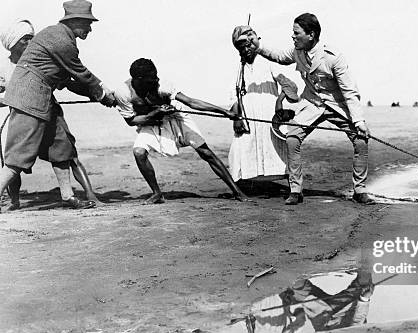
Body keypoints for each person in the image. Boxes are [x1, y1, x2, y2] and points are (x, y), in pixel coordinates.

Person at [0, 0, 116, 213]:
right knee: (18, 158)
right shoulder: (60, 39)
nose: (90, 28)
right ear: (74, 21)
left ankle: (68, 196)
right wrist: (103, 93)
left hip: (44, 101)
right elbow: (82, 74)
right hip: (29, 99)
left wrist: (100, 96)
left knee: (61, 146)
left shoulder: (61, 38)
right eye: (87, 23)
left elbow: (71, 83)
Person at [253, 13, 374, 205]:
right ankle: (295, 190)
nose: (292, 37)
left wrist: (358, 121)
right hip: (310, 104)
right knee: (292, 138)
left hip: (337, 105)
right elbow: (278, 57)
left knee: (361, 140)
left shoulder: (333, 57)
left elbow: (349, 91)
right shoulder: (297, 51)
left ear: (311, 34)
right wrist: (258, 47)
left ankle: (359, 190)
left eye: (296, 33)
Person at [113, 58, 249, 204]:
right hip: (152, 122)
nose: (157, 79)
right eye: (152, 78)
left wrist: (224, 112)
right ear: (139, 79)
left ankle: (237, 191)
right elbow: (131, 121)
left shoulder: (162, 86)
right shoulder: (124, 92)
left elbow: (191, 102)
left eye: (156, 75)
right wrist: (154, 114)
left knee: (205, 152)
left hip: (176, 116)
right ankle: (157, 194)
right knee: (139, 152)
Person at [229, 25, 299, 186]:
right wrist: (237, 118)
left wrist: (279, 101)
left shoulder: (269, 63)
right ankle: (244, 185)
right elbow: (235, 96)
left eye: (248, 45)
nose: (245, 49)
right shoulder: (239, 69)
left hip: (269, 116)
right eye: (241, 47)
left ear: (255, 43)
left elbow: (290, 86)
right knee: (240, 149)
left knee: (279, 150)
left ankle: (293, 186)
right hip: (248, 117)